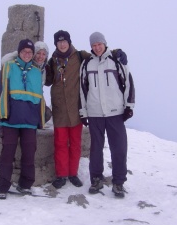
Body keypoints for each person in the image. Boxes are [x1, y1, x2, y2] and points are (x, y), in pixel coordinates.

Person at [45, 30, 128, 189]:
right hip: (60, 109)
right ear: (55, 44)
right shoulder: (52, 61)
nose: (62, 44)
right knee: (60, 143)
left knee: (75, 143)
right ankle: (61, 175)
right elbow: (48, 81)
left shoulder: (80, 56)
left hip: (76, 109)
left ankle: (73, 174)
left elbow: (100, 55)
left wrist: (117, 52)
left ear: (69, 42)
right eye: (59, 42)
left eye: (65, 41)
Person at [79, 32, 135, 198]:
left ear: (104, 43)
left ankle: (118, 182)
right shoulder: (87, 63)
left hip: (115, 112)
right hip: (95, 113)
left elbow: (129, 84)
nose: (97, 48)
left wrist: (129, 106)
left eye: (99, 44)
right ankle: (96, 179)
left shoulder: (117, 60)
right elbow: (82, 89)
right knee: (96, 149)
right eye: (94, 45)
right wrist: (83, 111)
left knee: (119, 148)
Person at [0, 39, 45, 199]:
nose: (27, 54)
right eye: (24, 51)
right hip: (10, 119)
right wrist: (3, 114)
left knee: (29, 153)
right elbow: (0, 92)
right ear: (19, 52)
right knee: (7, 154)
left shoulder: (37, 72)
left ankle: (25, 185)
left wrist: (40, 120)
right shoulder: (8, 67)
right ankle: (2, 187)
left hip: (29, 121)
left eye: (30, 52)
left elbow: (40, 97)